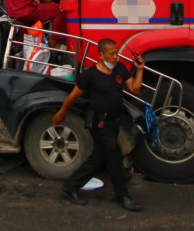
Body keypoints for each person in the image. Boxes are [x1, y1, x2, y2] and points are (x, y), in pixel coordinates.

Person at [53, 38, 145, 211]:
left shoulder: (120, 69)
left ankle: (70, 187)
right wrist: (62, 112)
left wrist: (139, 69)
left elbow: (135, 89)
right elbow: (73, 96)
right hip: (99, 123)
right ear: (101, 55)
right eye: (111, 54)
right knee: (115, 155)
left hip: (114, 121)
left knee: (98, 158)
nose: (115, 57)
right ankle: (122, 195)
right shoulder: (90, 75)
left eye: (116, 53)